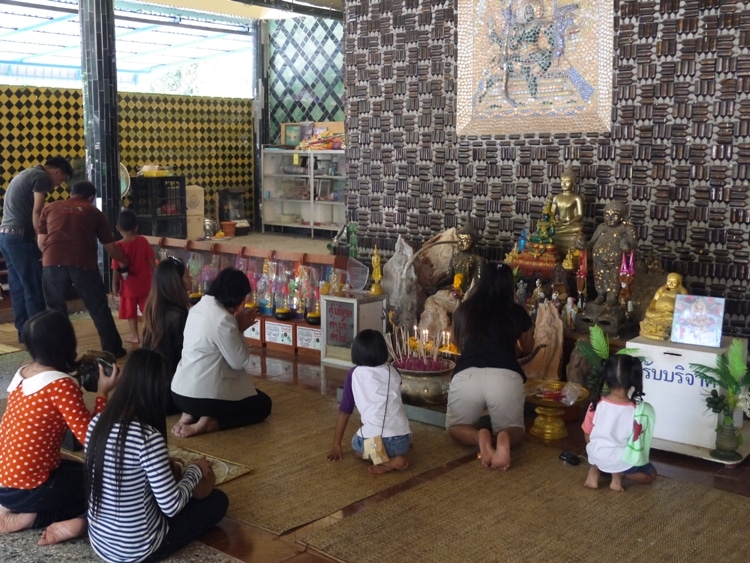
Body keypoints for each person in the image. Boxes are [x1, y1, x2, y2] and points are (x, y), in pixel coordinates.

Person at [86, 348, 228, 562]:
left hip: (101, 541)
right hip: (138, 550)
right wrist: (195, 471)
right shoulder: (147, 437)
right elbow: (171, 506)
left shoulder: (97, 423)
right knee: (218, 502)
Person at [0, 309, 118, 544]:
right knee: (102, 484)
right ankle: (32, 518)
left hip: (6, 482)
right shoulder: (61, 386)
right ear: (67, 343)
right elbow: (91, 439)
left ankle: (7, 506)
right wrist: (103, 393)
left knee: (78, 469)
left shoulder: (22, 374)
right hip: (30, 489)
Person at [446, 263, 534, 470]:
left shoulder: (464, 310)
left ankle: (479, 437)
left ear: (480, 281)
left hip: (467, 374)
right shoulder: (516, 312)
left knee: (455, 427)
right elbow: (527, 347)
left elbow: (455, 342)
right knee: (516, 429)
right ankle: (503, 438)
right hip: (505, 375)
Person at [171, 267, 272, 438]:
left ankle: (189, 415)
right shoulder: (223, 319)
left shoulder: (197, 308)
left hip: (179, 393)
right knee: (262, 404)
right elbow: (239, 361)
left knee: (244, 393)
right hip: (201, 397)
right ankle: (211, 424)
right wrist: (239, 330)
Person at [37, 180, 130, 358]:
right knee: (98, 308)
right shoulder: (94, 212)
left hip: (51, 261)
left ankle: (61, 354)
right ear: (91, 197)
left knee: (55, 310)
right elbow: (110, 247)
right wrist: (124, 262)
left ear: (71, 193)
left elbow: (42, 243)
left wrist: (55, 256)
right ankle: (113, 349)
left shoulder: (50, 208)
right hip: (83, 263)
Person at [0, 156, 73, 342]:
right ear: (57, 171)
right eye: (61, 180)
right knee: (33, 287)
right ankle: (39, 336)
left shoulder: (26, 173)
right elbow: (37, 211)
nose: (57, 185)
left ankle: (24, 334)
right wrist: (39, 238)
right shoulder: (40, 177)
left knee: (17, 287)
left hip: (5, 235)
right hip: (20, 236)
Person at [327, 329, 411, 474]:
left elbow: (345, 411)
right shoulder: (394, 371)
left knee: (356, 447)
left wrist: (336, 444)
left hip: (377, 438)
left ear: (356, 353)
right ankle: (396, 456)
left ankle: (388, 462)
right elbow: (395, 401)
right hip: (403, 440)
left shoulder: (354, 374)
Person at [582, 354, 657, 492]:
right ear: (634, 379)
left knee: (603, 457)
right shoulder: (637, 410)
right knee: (651, 474)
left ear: (606, 378)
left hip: (597, 454)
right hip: (623, 460)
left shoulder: (596, 404)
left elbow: (587, 431)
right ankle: (619, 475)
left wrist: (594, 451)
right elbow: (638, 442)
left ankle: (595, 469)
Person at [142, 256, 192, 415]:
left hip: (149, 395)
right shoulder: (176, 316)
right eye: (187, 276)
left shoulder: (153, 309)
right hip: (170, 396)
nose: (191, 278)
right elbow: (187, 357)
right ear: (177, 282)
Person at [111, 208, 155, 344]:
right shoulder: (142, 241)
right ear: (136, 227)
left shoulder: (118, 245)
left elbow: (115, 268)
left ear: (118, 228)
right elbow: (152, 261)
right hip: (145, 283)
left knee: (131, 313)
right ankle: (150, 334)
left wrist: (114, 286)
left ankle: (135, 336)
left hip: (128, 286)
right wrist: (156, 278)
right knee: (147, 311)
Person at [588, 201, 637, 306]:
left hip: (616, 262)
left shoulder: (626, 227)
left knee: (614, 279)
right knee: (599, 278)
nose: (609, 219)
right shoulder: (601, 227)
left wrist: (626, 245)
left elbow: (633, 244)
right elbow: (591, 242)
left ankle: (612, 297)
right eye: (606, 215)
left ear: (623, 216)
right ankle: (600, 295)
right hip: (598, 260)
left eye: (614, 216)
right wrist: (582, 244)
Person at [639, 272, 688, 340]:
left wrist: (677, 311)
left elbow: (685, 304)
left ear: (679, 282)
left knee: (675, 318)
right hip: (658, 312)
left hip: (672, 314)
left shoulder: (682, 291)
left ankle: (665, 329)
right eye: (669, 281)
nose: (670, 283)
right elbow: (655, 300)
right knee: (648, 314)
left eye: (674, 281)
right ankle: (656, 328)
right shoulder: (662, 289)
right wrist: (651, 308)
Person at [550, 166, 585, 259]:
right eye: (562, 181)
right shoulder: (556, 198)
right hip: (559, 225)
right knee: (549, 230)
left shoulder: (577, 197)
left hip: (571, 225)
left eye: (567, 181)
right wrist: (554, 220)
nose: (564, 184)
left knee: (579, 228)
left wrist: (571, 221)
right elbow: (551, 214)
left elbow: (580, 214)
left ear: (573, 183)